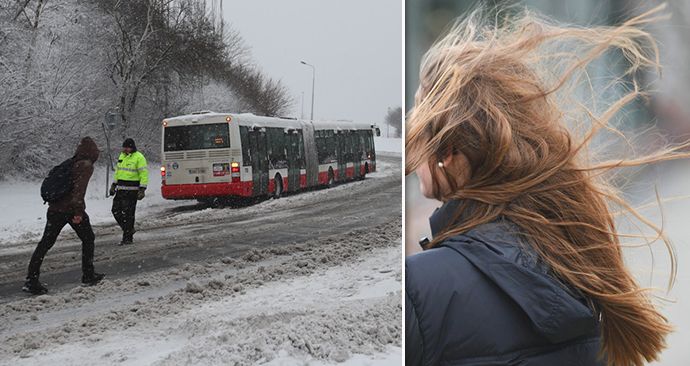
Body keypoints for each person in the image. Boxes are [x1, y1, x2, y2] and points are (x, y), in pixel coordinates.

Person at [405, 6, 679, 366]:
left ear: (452, 150)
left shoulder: (418, 287)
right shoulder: (577, 260)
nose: (411, 130)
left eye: (419, 116)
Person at [24, 137, 105, 295]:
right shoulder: (85, 166)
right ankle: (88, 275)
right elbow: (78, 192)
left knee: (45, 243)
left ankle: (31, 280)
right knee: (88, 238)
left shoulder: (70, 163)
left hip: (54, 209)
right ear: (93, 153)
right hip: (69, 210)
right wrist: (78, 213)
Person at [110, 138, 148, 245]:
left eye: (127, 147)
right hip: (121, 189)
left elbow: (144, 174)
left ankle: (127, 238)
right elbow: (118, 172)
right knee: (115, 210)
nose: (125, 149)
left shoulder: (139, 157)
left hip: (132, 191)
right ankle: (128, 230)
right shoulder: (122, 156)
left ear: (132, 147)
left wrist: (142, 189)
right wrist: (114, 184)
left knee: (128, 214)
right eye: (124, 147)